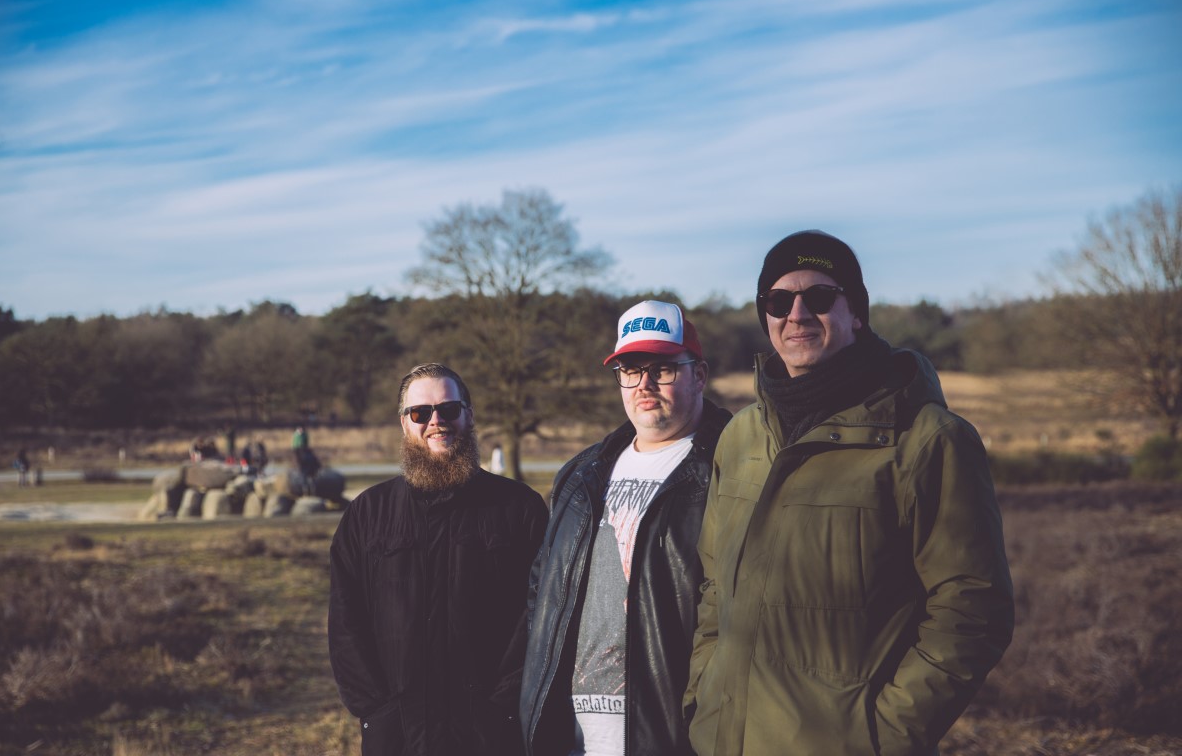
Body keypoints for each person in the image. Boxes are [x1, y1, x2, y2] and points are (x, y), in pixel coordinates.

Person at [685, 231, 1015, 756]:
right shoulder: (740, 437)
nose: (796, 315)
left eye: (818, 297)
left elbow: (972, 609)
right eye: (778, 301)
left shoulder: (927, 441)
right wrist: (702, 693)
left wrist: (881, 737)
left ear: (856, 312)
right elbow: (714, 587)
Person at [522, 300, 731, 756]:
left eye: (663, 369)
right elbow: (543, 593)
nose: (644, 385)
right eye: (631, 370)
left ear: (699, 375)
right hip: (573, 735)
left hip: (674, 734)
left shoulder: (730, 471)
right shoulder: (580, 476)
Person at [329, 363, 549, 756]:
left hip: (493, 735)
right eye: (420, 413)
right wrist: (377, 711)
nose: (436, 421)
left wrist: (501, 706)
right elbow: (346, 624)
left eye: (449, 409)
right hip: (397, 738)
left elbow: (541, 616)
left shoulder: (520, 509)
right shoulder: (367, 514)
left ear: (469, 416)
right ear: (404, 423)